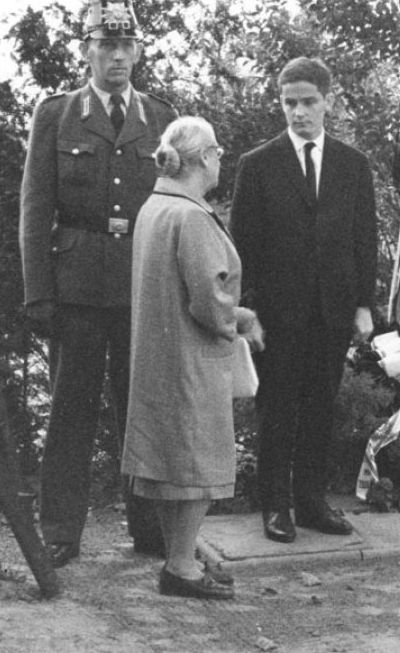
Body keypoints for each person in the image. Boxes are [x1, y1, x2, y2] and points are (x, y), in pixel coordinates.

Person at [19, 0, 176, 567]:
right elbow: (35, 207)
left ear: (138, 53)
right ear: (86, 50)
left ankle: (149, 529)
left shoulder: (161, 117)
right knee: (70, 410)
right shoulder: (57, 115)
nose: (116, 56)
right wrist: (39, 292)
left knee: (142, 409)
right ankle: (60, 529)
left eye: (126, 45)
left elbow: (178, 207)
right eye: (105, 44)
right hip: (77, 284)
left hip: (141, 285)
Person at [229, 57, 378, 543]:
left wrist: (362, 304)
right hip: (278, 313)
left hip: (332, 310)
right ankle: (275, 506)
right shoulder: (257, 165)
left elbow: (364, 238)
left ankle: (312, 502)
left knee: (320, 406)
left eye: (308, 102)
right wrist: (246, 313)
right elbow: (241, 246)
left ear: (327, 102)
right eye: (289, 103)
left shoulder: (353, 166)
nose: (298, 113)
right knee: (278, 408)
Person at [122, 117, 264, 600]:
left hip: (160, 353)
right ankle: (181, 566)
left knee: (171, 462)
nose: (222, 158)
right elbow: (208, 298)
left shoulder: (154, 207)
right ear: (203, 158)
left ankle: (178, 559)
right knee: (197, 461)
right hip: (191, 356)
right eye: (218, 151)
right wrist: (239, 320)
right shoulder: (191, 217)